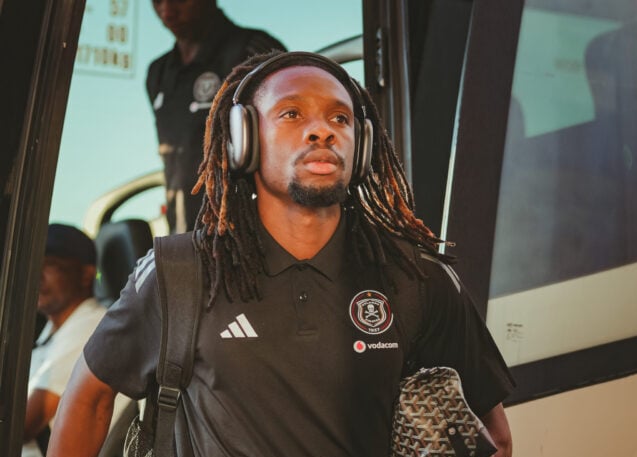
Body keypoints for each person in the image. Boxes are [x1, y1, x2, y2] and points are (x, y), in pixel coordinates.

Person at [48, 51, 515, 456]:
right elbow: (89, 400)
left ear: (363, 144)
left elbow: (494, 437)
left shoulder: (416, 276)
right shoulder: (178, 273)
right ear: (243, 140)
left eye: (340, 119)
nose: (322, 131)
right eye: (291, 114)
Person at [148, 0, 285, 233]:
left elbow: (283, 150)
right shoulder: (159, 73)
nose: (167, 10)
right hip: (184, 235)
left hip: (244, 237)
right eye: (157, 0)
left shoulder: (253, 51)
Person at [22, 224, 129, 456]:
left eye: (50, 265)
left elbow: (22, 423)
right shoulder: (53, 331)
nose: (37, 275)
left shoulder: (91, 326)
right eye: (34, 264)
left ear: (86, 275)